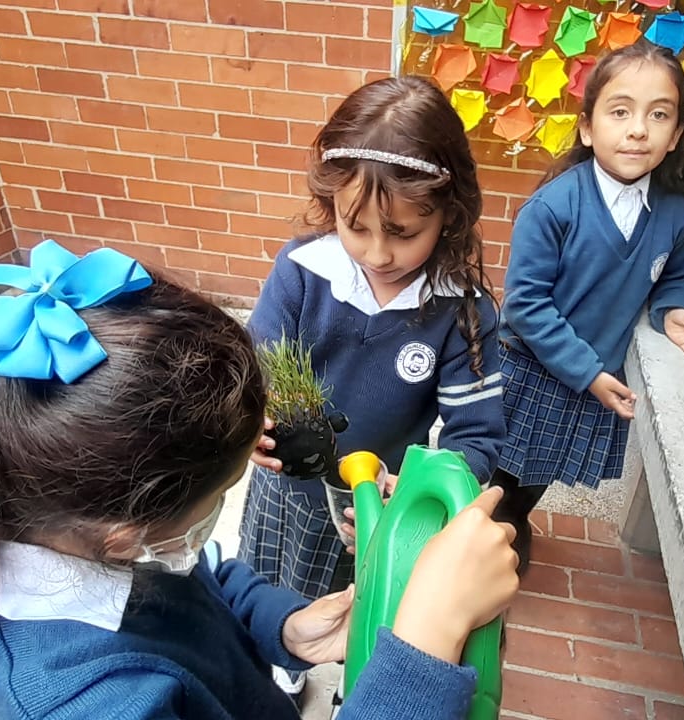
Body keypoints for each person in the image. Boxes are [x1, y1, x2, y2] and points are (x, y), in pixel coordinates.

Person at [0, 240, 520, 720]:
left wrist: (283, 625)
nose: (209, 522)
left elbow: (194, 576)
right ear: (122, 534)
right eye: (216, 499)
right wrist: (427, 640)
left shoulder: (59, 525)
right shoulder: (83, 705)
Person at [236, 76, 505, 697]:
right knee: (273, 580)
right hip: (287, 489)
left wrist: (413, 490)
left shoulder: (461, 312)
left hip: (375, 511)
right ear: (332, 206)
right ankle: (280, 659)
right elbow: (253, 369)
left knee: (365, 603)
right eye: (357, 228)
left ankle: (356, 678)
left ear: (450, 212)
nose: (379, 253)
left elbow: (477, 437)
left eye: (405, 233)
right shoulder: (303, 271)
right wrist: (249, 423)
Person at [493, 41, 684, 573]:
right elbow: (525, 306)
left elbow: (677, 274)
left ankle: (515, 519)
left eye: (658, 115)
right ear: (588, 127)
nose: (638, 129)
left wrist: (676, 308)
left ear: (674, 138)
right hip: (534, 368)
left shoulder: (677, 209)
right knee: (506, 465)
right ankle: (493, 531)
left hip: (593, 370)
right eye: (620, 111)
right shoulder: (553, 207)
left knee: (540, 469)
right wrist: (591, 373)